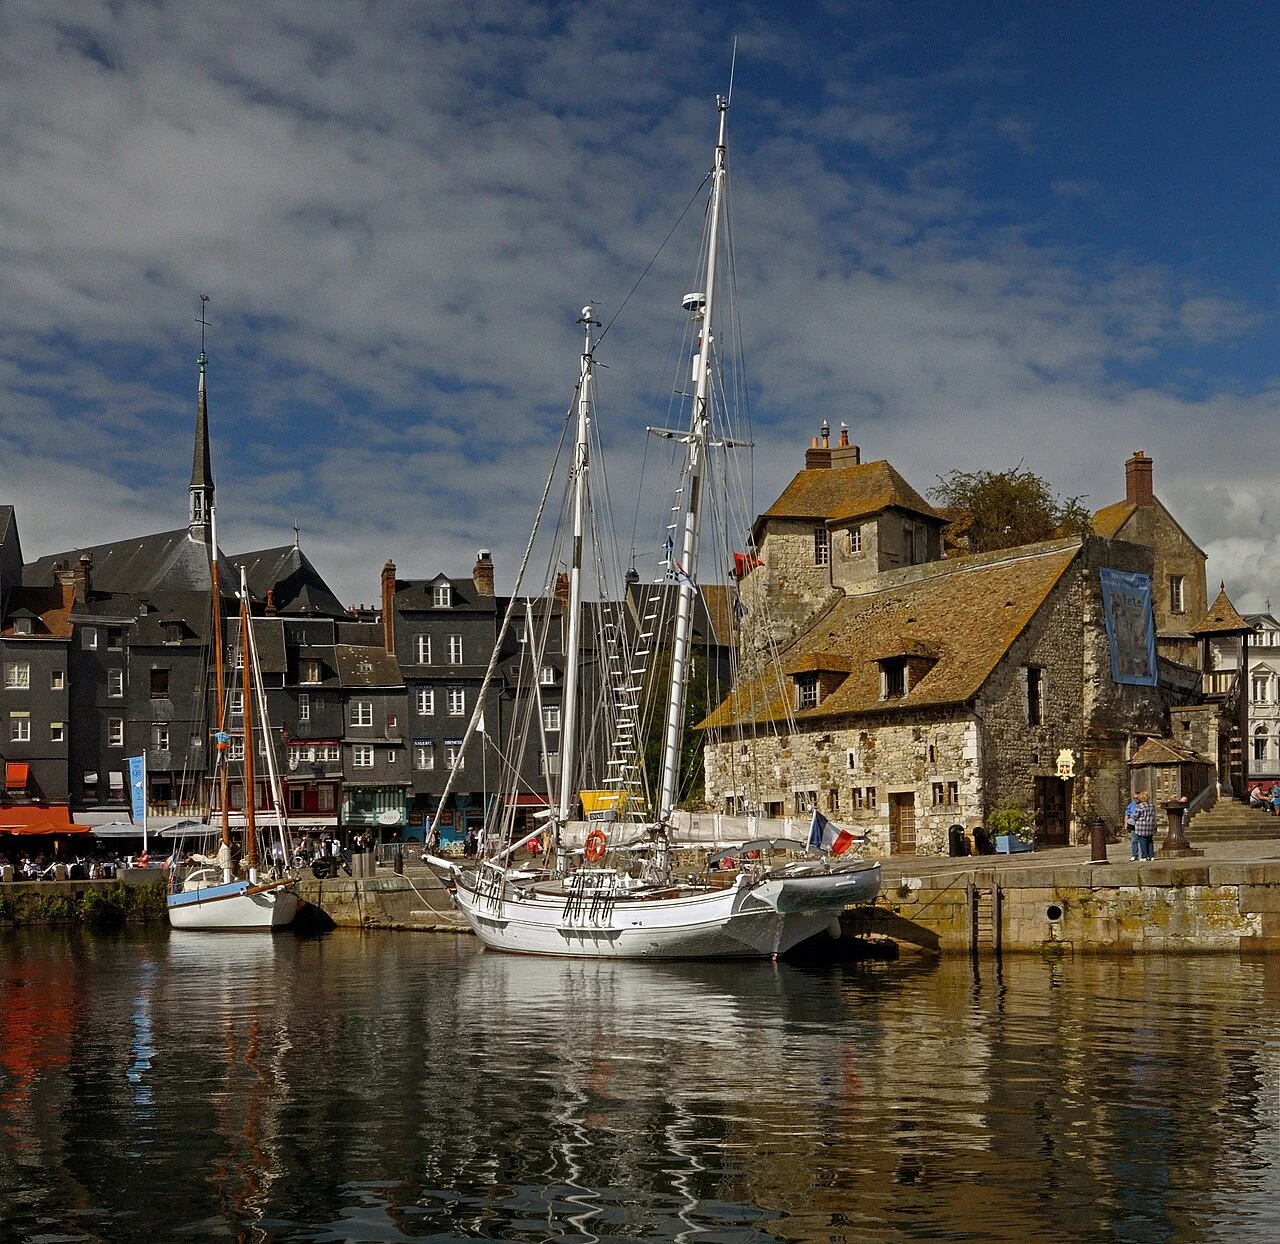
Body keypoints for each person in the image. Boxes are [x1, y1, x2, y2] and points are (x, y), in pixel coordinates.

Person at [1132, 790, 1156, 861]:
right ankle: (1151, 856)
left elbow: (1136, 816)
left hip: (1141, 827)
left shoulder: (1140, 806)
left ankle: (1144, 856)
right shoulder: (1152, 806)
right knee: (1150, 841)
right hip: (1150, 826)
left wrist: (1133, 816)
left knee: (1142, 841)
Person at [1124, 792, 1140, 861]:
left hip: (1141, 824)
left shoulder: (1142, 805)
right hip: (1133, 824)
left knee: (1143, 841)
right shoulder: (1131, 805)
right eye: (1134, 798)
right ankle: (1134, 855)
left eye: (1137, 798)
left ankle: (1145, 855)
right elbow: (1127, 814)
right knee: (1134, 840)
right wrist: (1125, 823)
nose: (1135, 799)